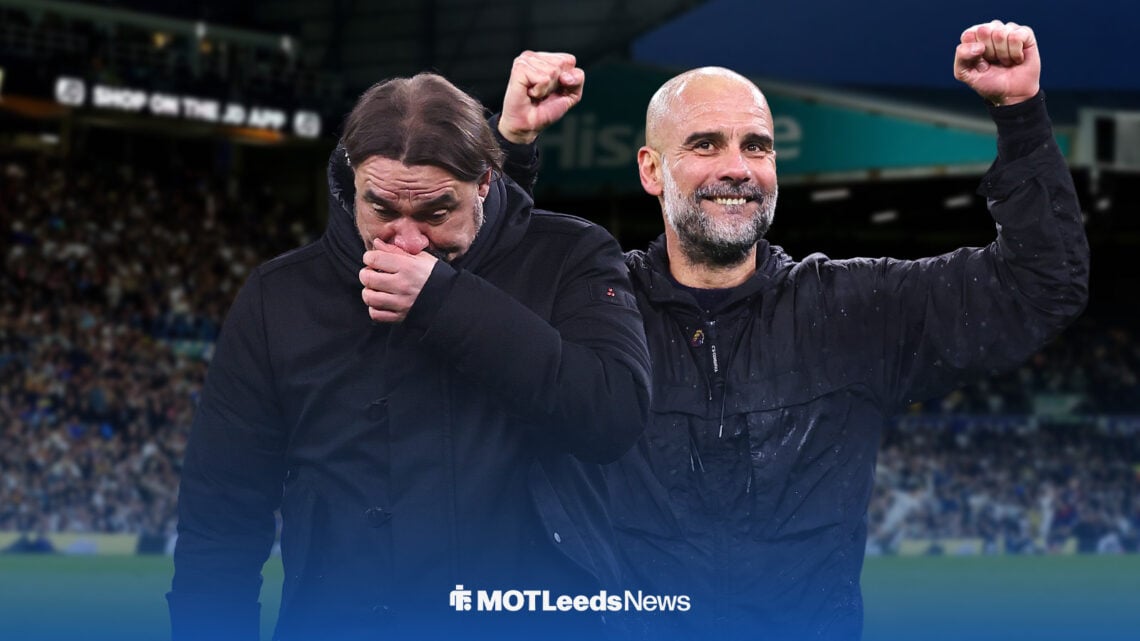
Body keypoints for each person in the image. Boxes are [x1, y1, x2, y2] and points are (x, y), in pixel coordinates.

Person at [512, 21, 1089, 640]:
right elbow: (473, 292)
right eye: (706, 144)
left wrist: (1020, 115)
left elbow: (1042, 284)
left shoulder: (856, 308)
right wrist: (514, 146)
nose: (738, 168)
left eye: (757, 146)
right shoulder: (594, 307)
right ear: (652, 170)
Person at [167, 53, 651, 641]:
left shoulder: (571, 253)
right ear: (352, 184)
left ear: (485, 183)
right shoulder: (281, 294)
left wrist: (444, 300)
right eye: (382, 209)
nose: (409, 240)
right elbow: (221, 520)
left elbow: (612, 415)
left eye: (435, 211)